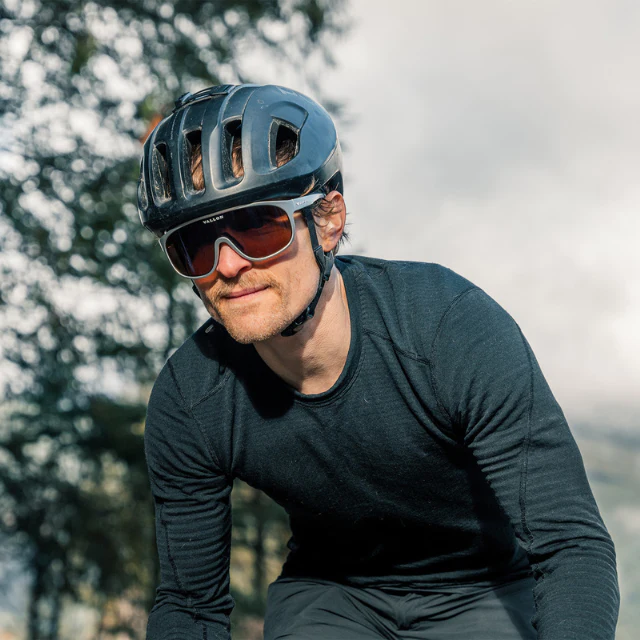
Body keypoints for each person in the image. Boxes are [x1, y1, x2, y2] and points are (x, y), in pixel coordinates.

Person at [137, 84, 620, 640]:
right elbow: (190, 607)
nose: (227, 265)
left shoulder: (448, 328)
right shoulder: (192, 400)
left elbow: (571, 546)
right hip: (331, 593)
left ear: (328, 220)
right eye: (194, 244)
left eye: (256, 227)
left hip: (485, 585)